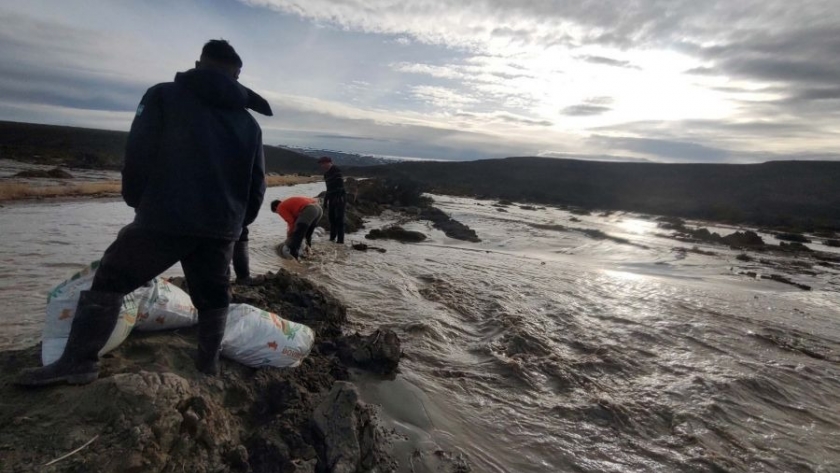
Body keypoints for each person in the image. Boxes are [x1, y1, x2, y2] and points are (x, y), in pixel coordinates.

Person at [16, 39, 271, 386]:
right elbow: (257, 184)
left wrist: (138, 201)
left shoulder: (163, 96)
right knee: (213, 296)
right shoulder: (249, 124)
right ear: (237, 75)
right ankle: (207, 366)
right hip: (221, 226)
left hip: (165, 216)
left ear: (199, 64)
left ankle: (78, 362)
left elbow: (138, 152)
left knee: (111, 279)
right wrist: (239, 223)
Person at [317, 156, 346, 244]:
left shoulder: (336, 170)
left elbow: (341, 185)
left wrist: (339, 197)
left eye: (322, 163)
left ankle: (340, 241)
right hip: (331, 198)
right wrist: (326, 201)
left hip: (340, 198)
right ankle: (332, 238)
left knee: (339, 220)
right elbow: (328, 189)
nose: (321, 165)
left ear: (328, 162)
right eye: (321, 164)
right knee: (331, 219)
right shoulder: (326, 174)